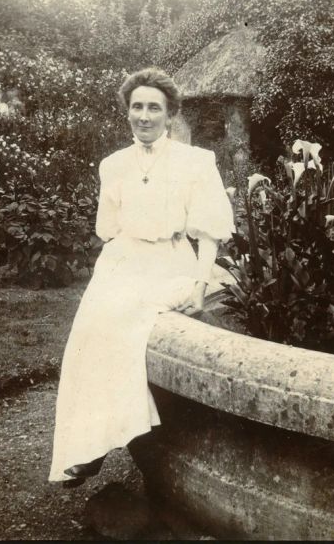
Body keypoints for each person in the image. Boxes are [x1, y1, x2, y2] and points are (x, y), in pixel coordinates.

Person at [49, 67, 234, 484]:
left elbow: (208, 235)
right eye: (137, 107)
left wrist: (202, 285)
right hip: (124, 261)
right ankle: (87, 447)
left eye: (155, 108)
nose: (145, 116)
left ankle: (109, 439)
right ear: (126, 112)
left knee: (122, 325)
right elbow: (108, 229)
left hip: (171, 260)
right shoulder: (112, 166)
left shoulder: (197, 162)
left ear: (171, 115)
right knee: (89, 333)